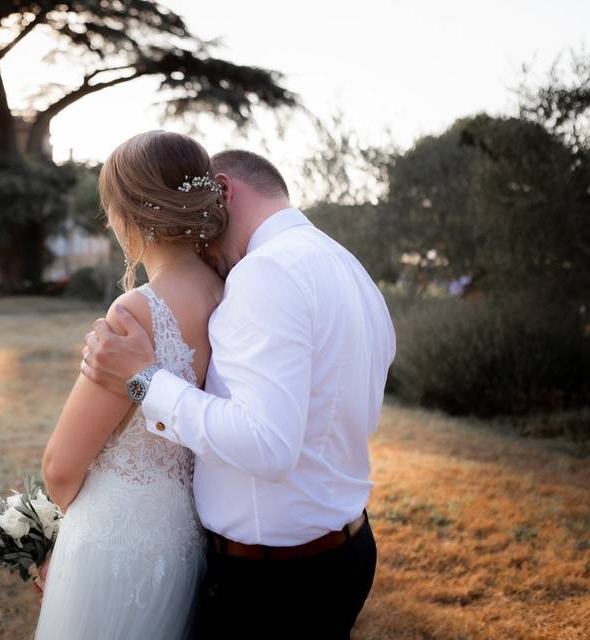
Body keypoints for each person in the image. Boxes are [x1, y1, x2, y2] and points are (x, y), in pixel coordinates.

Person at [81, 149, 397, 639]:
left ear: (225, 190)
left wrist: (144, 378)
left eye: (207, 222)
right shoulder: (344, 264)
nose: (201, 244)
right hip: (344, 551)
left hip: (274, 585)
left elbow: (268, 446)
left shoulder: (265, 272)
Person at [34, 130, 226, 640]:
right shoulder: (229, 292)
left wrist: (60, 534)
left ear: (129, 212)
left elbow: (60, 464)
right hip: (185, 537)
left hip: (116, 543)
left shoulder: (138, 309)